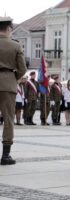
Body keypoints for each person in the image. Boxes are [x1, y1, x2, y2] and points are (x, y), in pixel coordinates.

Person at [0, 16, 26, 165]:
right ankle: (5, 155)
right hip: (8, 84)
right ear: (9, 28)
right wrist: (12, 77)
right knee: (8, 119)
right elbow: (22, 69)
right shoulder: (15, 45)